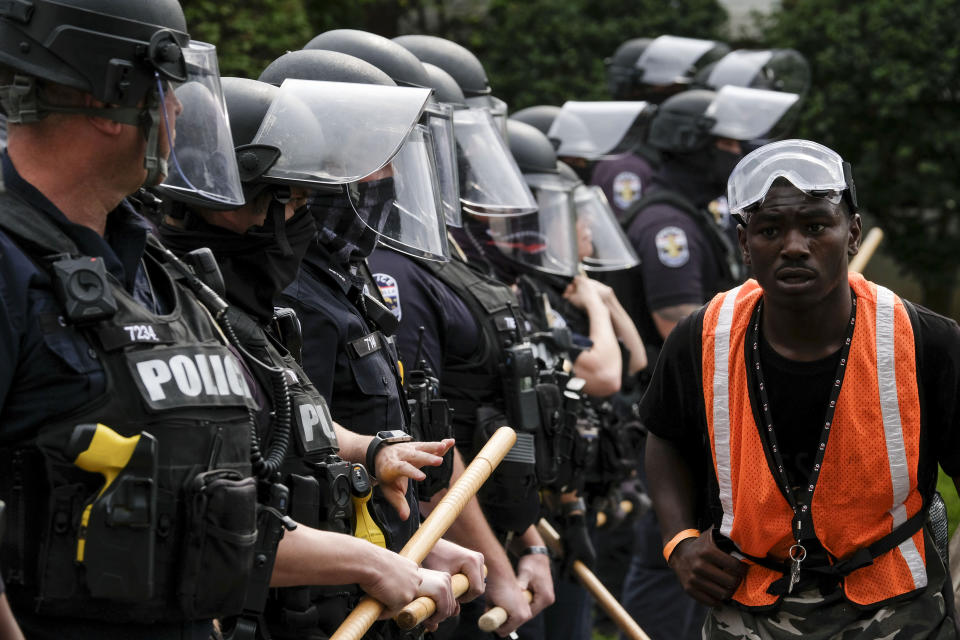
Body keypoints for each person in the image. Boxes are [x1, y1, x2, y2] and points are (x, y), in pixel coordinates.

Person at [156, 75, 482, 638]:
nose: (299, 224)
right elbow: (206, 522)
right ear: (224, 198)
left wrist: (371, 453)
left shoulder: (247, 318)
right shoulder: (174, 313)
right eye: (292, 199)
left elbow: (293, 424)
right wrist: (380, 561)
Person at [0, 1, 263, 638]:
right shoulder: (9, 267)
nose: (176, 111)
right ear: (110, 99)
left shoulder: (148, 264)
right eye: (167, 89)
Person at [644, 138, 960, 639]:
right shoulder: (704, 337)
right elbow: (665, 436)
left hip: (895, 605)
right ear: (745, 244)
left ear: (851, 233)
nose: (794, 246)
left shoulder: (924, 341)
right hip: (748, 602)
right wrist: (679, 541)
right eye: (770, 229)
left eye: (815, 226)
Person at [370, 35, 559, 639]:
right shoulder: (388, 265)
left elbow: (487, 418)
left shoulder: (438, 253)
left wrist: (528, 538)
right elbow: (430, 440)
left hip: (472, 542)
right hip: (425, 555)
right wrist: (501, 566)